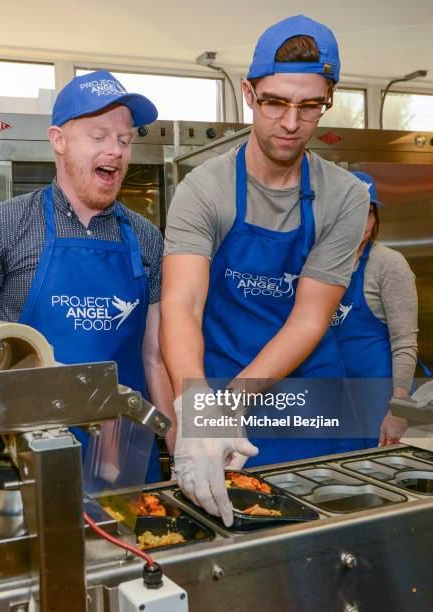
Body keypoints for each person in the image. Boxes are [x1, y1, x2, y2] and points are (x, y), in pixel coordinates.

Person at [0, 70, 174, 485]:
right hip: (26, 457)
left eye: (124, 140)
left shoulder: (147, 237)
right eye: (99, 136)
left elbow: (155, 356)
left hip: (124, 454)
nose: (115, 151)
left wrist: (182, 446)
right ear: (59, 140)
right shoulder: (6, 224)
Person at [161, 15, 369, 526]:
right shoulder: (204, 190)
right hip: (220, 375)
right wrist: (199, 408)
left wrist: (231, 405)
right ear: (249, 93)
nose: (291, 123)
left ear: (329, 100)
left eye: (309, 106)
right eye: (275, 101)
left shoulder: (345, 196)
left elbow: (308, 319)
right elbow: (180, 303)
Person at [331, 171, 425, 447]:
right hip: (336, 392)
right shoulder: (322, 264)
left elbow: (405, 343)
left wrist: (400, 409)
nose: (363, 222)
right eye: (352, 211)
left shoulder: (388, 264)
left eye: (369, 213)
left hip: (381, 396)